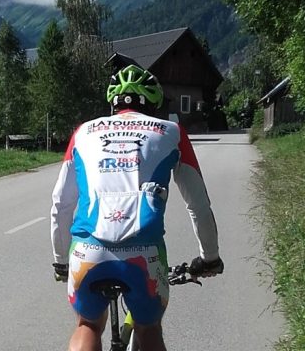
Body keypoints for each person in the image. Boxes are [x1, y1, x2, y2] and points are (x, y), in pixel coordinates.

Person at [50, 53, 223, 351]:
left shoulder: (82, 133)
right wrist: (210, 257)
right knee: (149, 329)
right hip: (144, 255)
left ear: (113, 104)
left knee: (88, 325)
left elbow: (60, 205)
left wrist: (60, 261)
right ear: (153, 104)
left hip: (87, 251)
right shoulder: (172, 133)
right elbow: (198, 204)